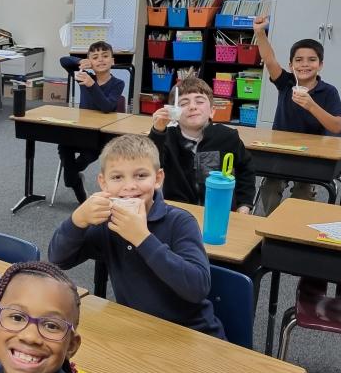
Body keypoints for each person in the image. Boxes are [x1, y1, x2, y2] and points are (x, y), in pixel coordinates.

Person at [49, 134, 225, 339]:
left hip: (193, 334)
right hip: (139, 331)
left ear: (158, 178)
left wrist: (142, 238)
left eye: (141, 176)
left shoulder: (180, 222)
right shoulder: (108, 222)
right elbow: (58, 259)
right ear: (103, 183)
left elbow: (197, 288)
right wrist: (77, 220)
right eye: (117, 177)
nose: (130, 186)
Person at [253, 15, 341, 214]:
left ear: (320, 65)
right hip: (280, 150)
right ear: (291, 65)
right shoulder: (286, 83)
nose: (304, 65)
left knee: (303, 194)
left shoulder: (328, 92)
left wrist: (311, 106)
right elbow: (269, 60)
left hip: (309, 155)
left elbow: (337, 126)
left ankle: (291, 227)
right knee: (270, 187)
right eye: (298, 60)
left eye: (312, 60)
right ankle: (272, 225)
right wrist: (260, 33)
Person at [149, 76, 255, 213]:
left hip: (218, 212)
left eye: (199, 101)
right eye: (183, 103)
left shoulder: (227, 137)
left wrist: (244, 205)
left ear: (212, 110)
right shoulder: (167, 137)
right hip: (176, 212)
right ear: (173, 112)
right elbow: (149, 164)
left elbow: (246, 169)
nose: (192, 107)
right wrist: (157, 132)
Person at [58, 42, 124, 204]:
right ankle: (74, 180)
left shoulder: (117, 83)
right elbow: (64, 61)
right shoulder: (84, 76)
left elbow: (107, 107)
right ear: (90, 62)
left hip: (104, 135)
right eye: (95, 57)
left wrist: (91, 85)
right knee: (63, 143)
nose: (100, 60)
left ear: (112, 61)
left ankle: (72, 179)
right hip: (83, 129)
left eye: (105, 56)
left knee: (87, 155)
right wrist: (79, 62)